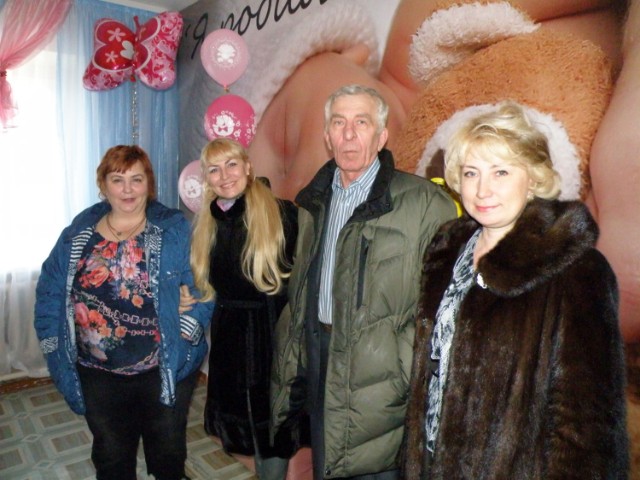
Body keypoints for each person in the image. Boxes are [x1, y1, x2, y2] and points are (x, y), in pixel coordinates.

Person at [401, 102, 628, 479]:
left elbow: (587, 425)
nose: (482, 189)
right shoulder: (447, 251)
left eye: (501, 171)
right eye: (471, 172)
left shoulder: (575, 269)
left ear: (533, 178)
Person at [270, 84, 458, 479]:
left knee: (375, 470)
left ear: (381, 135)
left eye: (362, 122)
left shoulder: (425, 204)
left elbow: (444, 307)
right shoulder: (312, 202)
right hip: (321, 355)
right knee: (327, 463)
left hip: (382, 376)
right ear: (327, 135)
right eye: (339, 123)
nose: (349, 134)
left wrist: (403, 364)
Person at [34, 145, 213, 480]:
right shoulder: (78, 235)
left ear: (149, 184)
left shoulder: (174, 230)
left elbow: (204, 285)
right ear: (103, 185)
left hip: (163, 367)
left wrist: (186, 323)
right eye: (118, 180)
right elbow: (49, 291)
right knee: (112, 456)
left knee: (168, 453)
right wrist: (51, 343)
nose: (128, 189)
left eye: (136, 179)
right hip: (98, 372)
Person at [184, 138, 303, 480]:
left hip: (272, 332)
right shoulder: (207, 223)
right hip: (229, 336)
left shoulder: (283, 213)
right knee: (246, 426)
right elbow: (204, 283)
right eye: (214, 169)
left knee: (273, 424)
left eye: (231, 164)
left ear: (248, 167)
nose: (224, 176)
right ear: (207, 178)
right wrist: (186, 297)